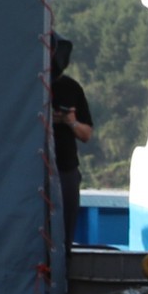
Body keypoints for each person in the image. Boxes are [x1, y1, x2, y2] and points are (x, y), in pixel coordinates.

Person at [50, 33, 94, 270]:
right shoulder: (28, 88)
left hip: (66, 168)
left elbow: (87, 134)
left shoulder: (71, 88)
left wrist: (70, 121)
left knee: (65, 227)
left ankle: (63, 272)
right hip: (34, 170)